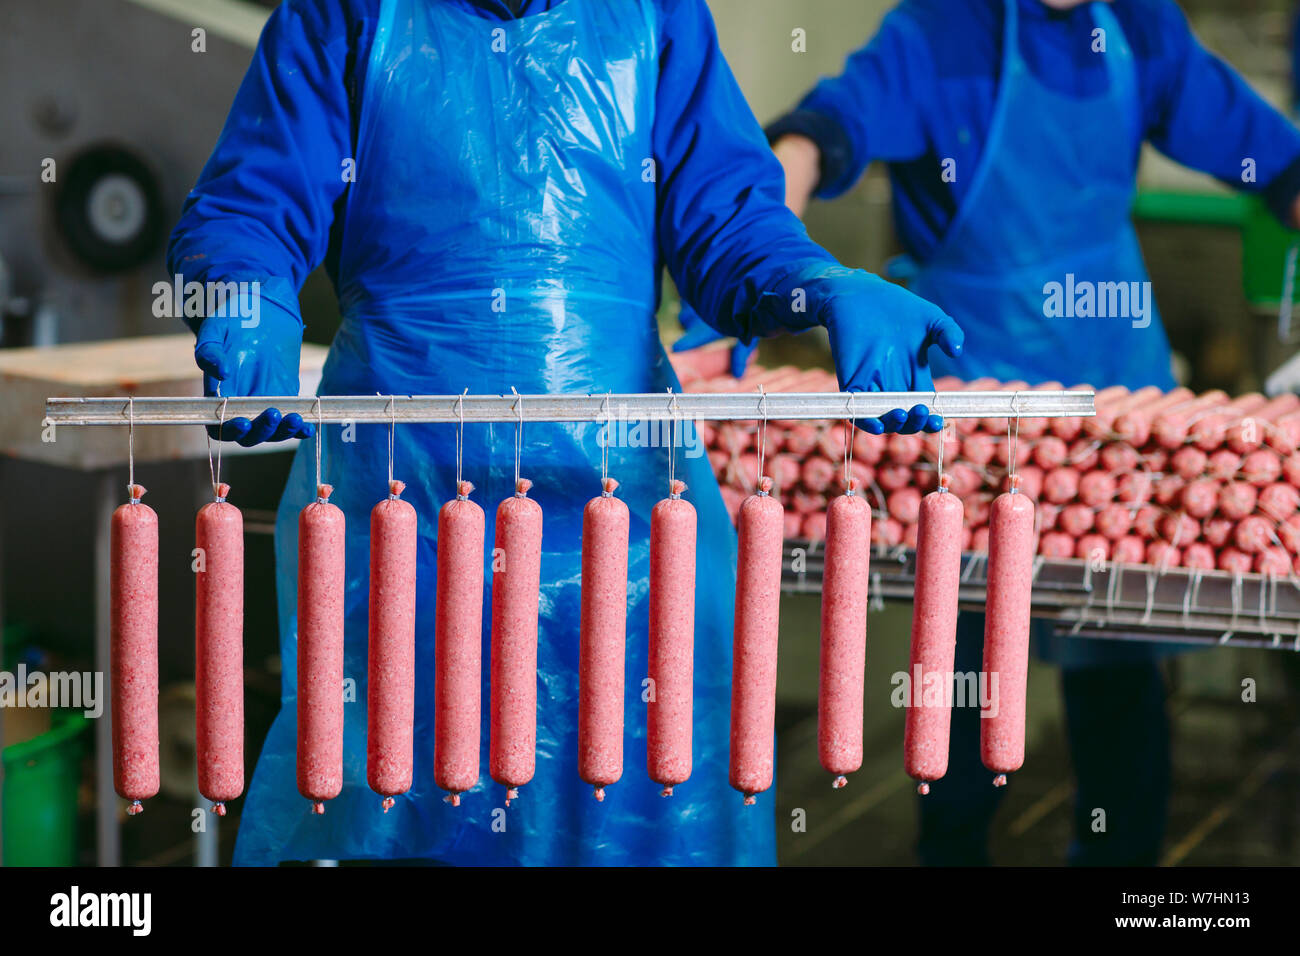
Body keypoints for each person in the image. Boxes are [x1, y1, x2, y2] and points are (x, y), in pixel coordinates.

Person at [169, 0, 963, 866]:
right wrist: (245, 286)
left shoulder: (656, 15)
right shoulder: (349, 11)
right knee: (403, 791)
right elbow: (254, 198)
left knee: (643, 798)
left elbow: (726, 219)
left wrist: (816, 283)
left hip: (629, 527)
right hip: (405, 512)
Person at [758, 0, 1300, 864]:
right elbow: (827, 129)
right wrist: (773, 241)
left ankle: (1126, 869)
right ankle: (953, 848)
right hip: (981, 394)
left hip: (1115, 388)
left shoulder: (1138, 27)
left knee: (1119, 658)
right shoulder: (939, 32)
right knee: (967, 659)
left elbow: (1263, 150)